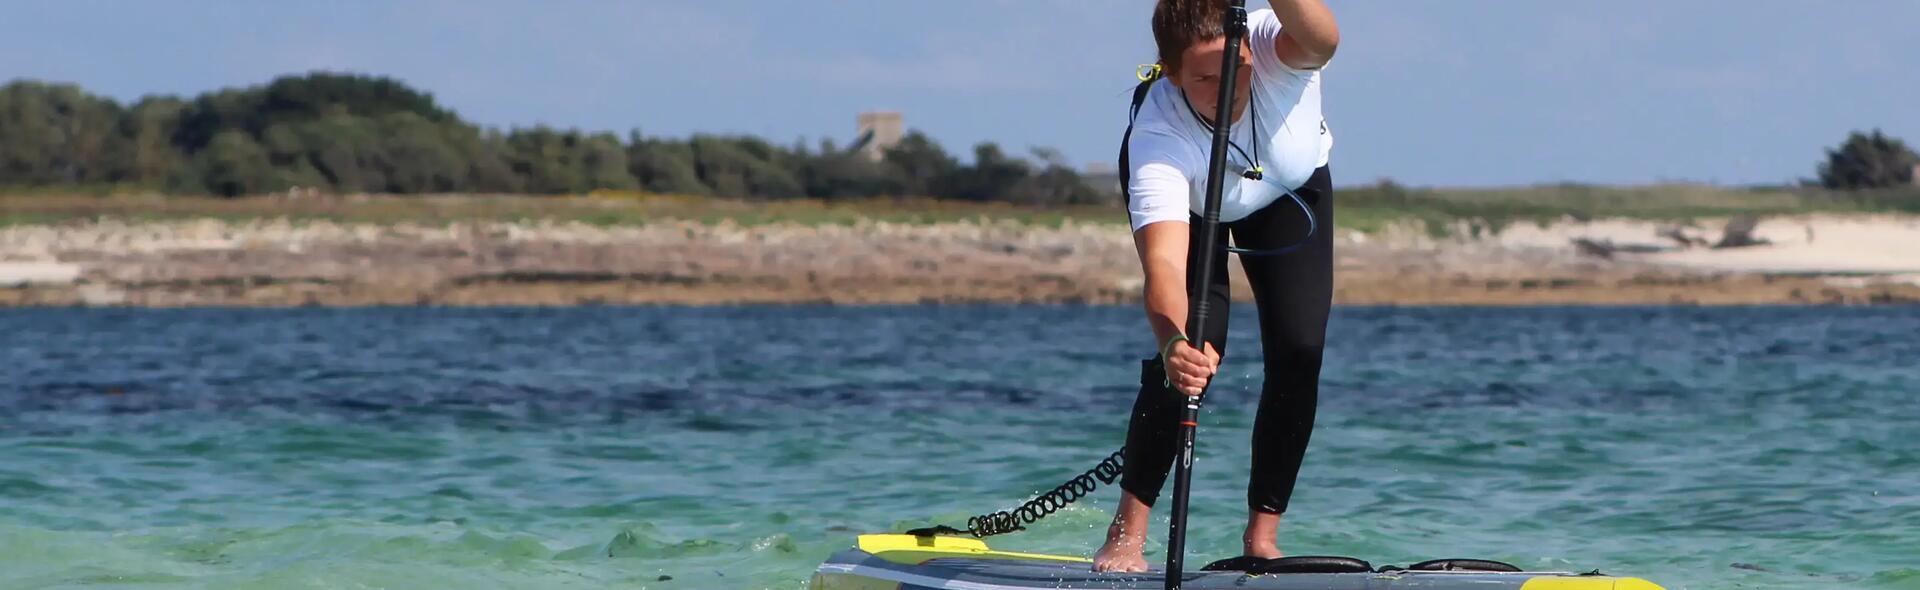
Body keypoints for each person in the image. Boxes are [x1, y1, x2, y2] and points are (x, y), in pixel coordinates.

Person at [1093, 0, 1339, 574]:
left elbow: (1325, 38)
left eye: (1237, 70)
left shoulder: (1275, 42)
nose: (1226, 87)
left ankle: (1263, 537)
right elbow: (1163, 268)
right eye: (1204, 77)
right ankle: (1127, 534)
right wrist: (1172, 340)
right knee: (1196, 347)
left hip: (1289, 188)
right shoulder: (1159, 135)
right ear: (1170, 71)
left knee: (1300, 349)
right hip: (1196, 207)